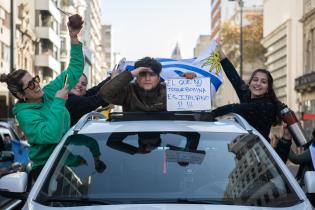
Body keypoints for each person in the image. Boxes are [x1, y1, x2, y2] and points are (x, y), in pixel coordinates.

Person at [0, 15, 84, 182]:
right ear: (21, 95)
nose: (37, 85)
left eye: (35, 80)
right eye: (30, 85)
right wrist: (59, 102)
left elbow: (74, 70)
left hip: (64, 163)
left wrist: (73, 37)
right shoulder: (25, 115)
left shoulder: (50, 91)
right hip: (45, 172)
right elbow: (50, 136)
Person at [210, 50, 281, 141]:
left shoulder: (267, 105)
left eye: (263, 82)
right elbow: (233, 76)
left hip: (259, 151)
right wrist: (220, 54)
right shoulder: (247, 96)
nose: (258, 84)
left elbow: (234, 108)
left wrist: (211, 114)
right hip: (243, 149)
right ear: (250, 83)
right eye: (255, 80)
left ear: (268, 88)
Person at [99, 57, 196, 112]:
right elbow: (105, 94)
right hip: (132, 137)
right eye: (142, 74)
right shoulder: (128, 91)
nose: (147, 78)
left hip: (164, 137)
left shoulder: (170, 91)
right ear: (136, 76)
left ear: (158, 78)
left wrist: (186, 83)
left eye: (152, 74)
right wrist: (131, 73)